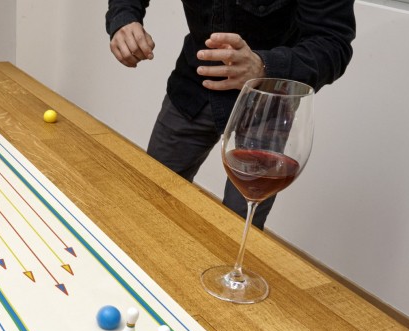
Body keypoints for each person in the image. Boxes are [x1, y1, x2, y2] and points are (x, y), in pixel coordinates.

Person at [106, 1, 356, 229]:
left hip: (267, 103)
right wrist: (124, 17)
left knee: (239, 230)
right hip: (192, 90)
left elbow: (333, 43)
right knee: (148, 201)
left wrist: (264, 66)